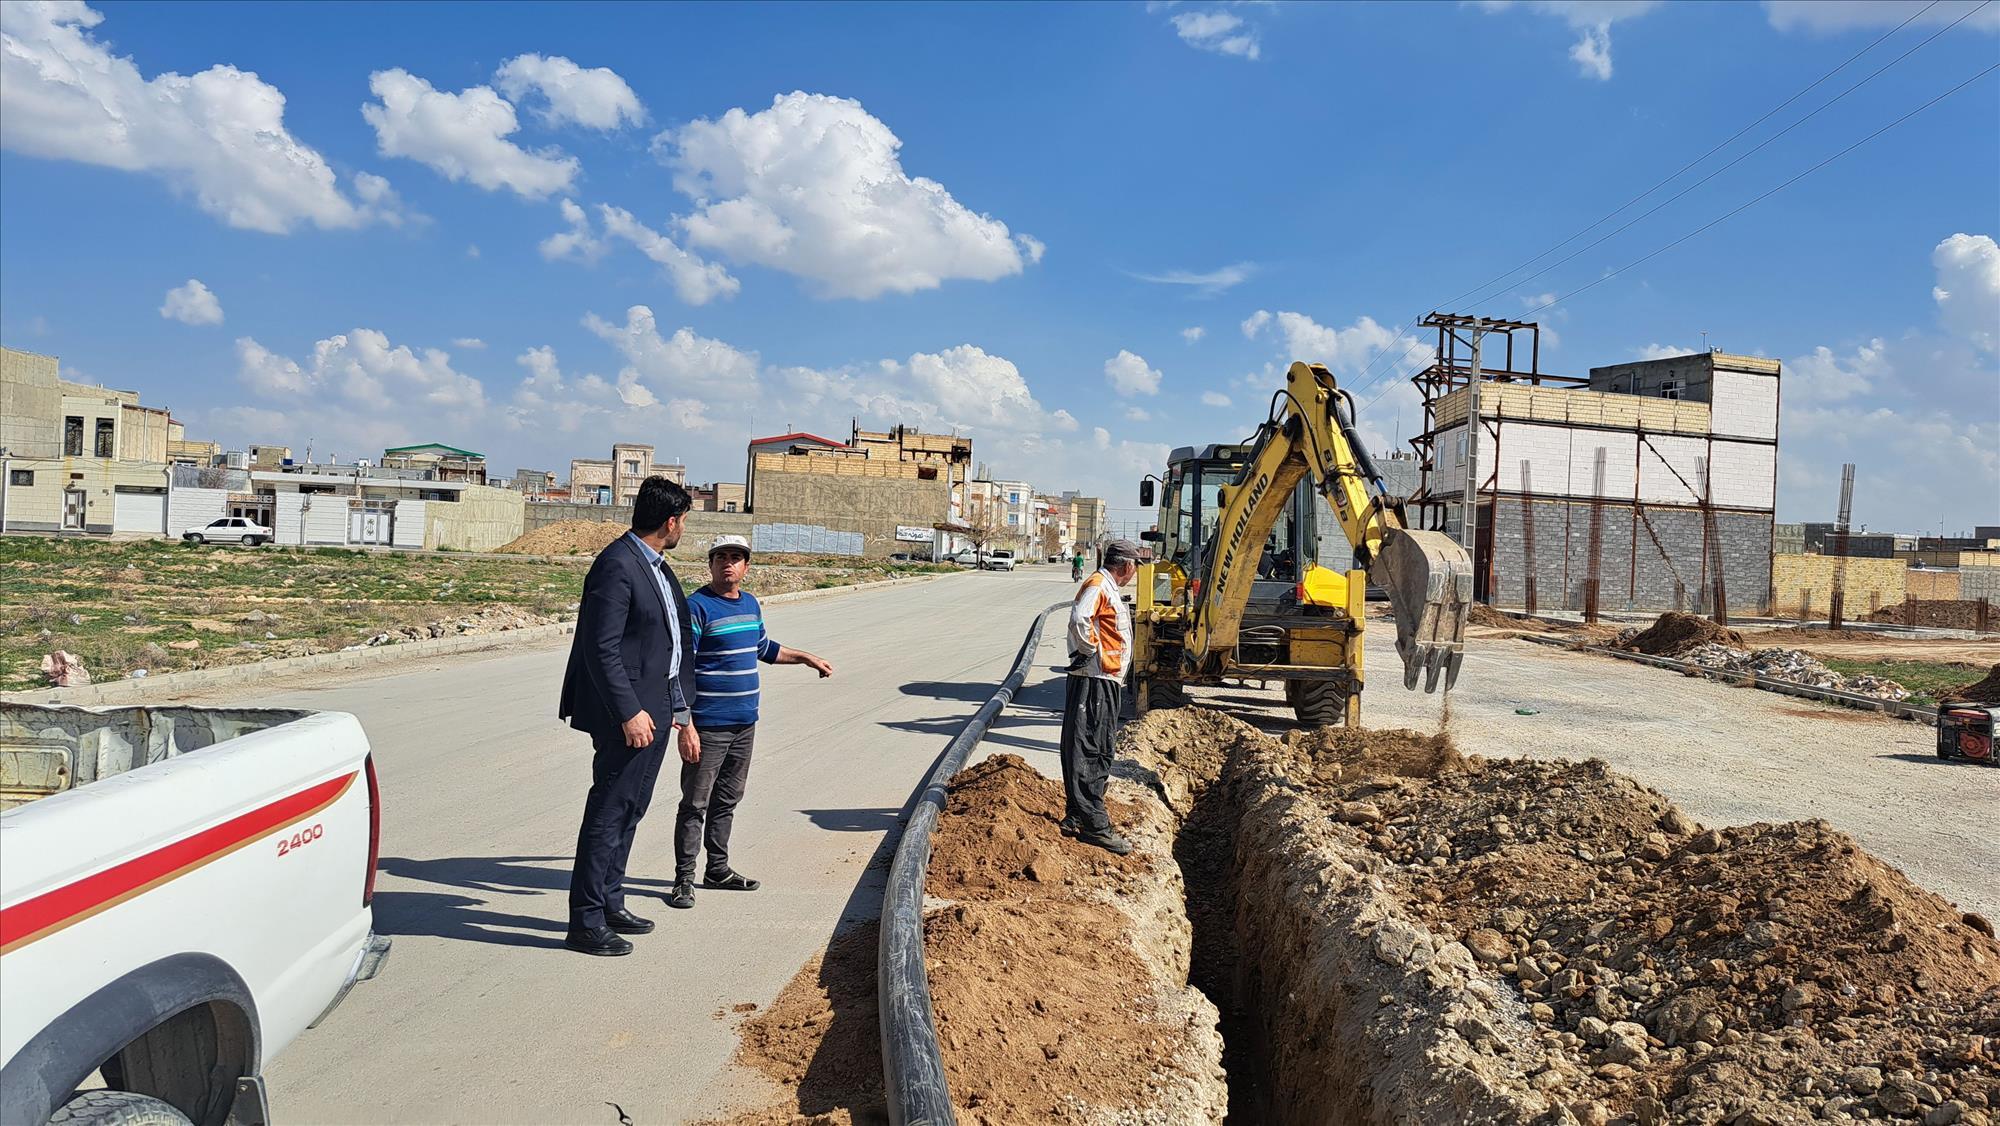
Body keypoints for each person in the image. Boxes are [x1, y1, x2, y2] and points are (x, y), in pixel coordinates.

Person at [558, 477, 698, 956]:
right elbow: (601, 649)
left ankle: (611, 901)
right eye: (684, 521)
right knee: (608, 812)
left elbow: (668, 644)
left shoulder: (656, 567)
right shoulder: (617, 566)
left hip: (657, 708)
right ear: (670, 521)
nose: (683, 529)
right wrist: (629, 712)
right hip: (630, 716)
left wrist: (679, 708)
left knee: (631, 809)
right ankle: (586, 920)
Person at [667, 534, 834, 909]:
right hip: (707, 726)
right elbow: (678, 668)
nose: (728, 563)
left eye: (736, 557)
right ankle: (684, 879)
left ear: (746, 566)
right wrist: (685, 725)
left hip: (745, 724)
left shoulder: (751, 604)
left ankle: (718, 869)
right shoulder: (696, 608)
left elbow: (763, 649)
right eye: (721, 557)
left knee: (728, 798)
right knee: (695, 802)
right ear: (710, 564)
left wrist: (806, 658)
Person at [1059, 538, 1142, 855]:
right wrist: (1089, 650)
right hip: (1096, 678)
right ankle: (1095, 826)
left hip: (1102, 679)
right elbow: (1080, 617)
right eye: (1135, 567)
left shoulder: (1106, 586)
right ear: (1127, 566)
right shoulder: (1099, 585)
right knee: (1092, 750)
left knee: (1092, 747)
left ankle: (1077, 816)